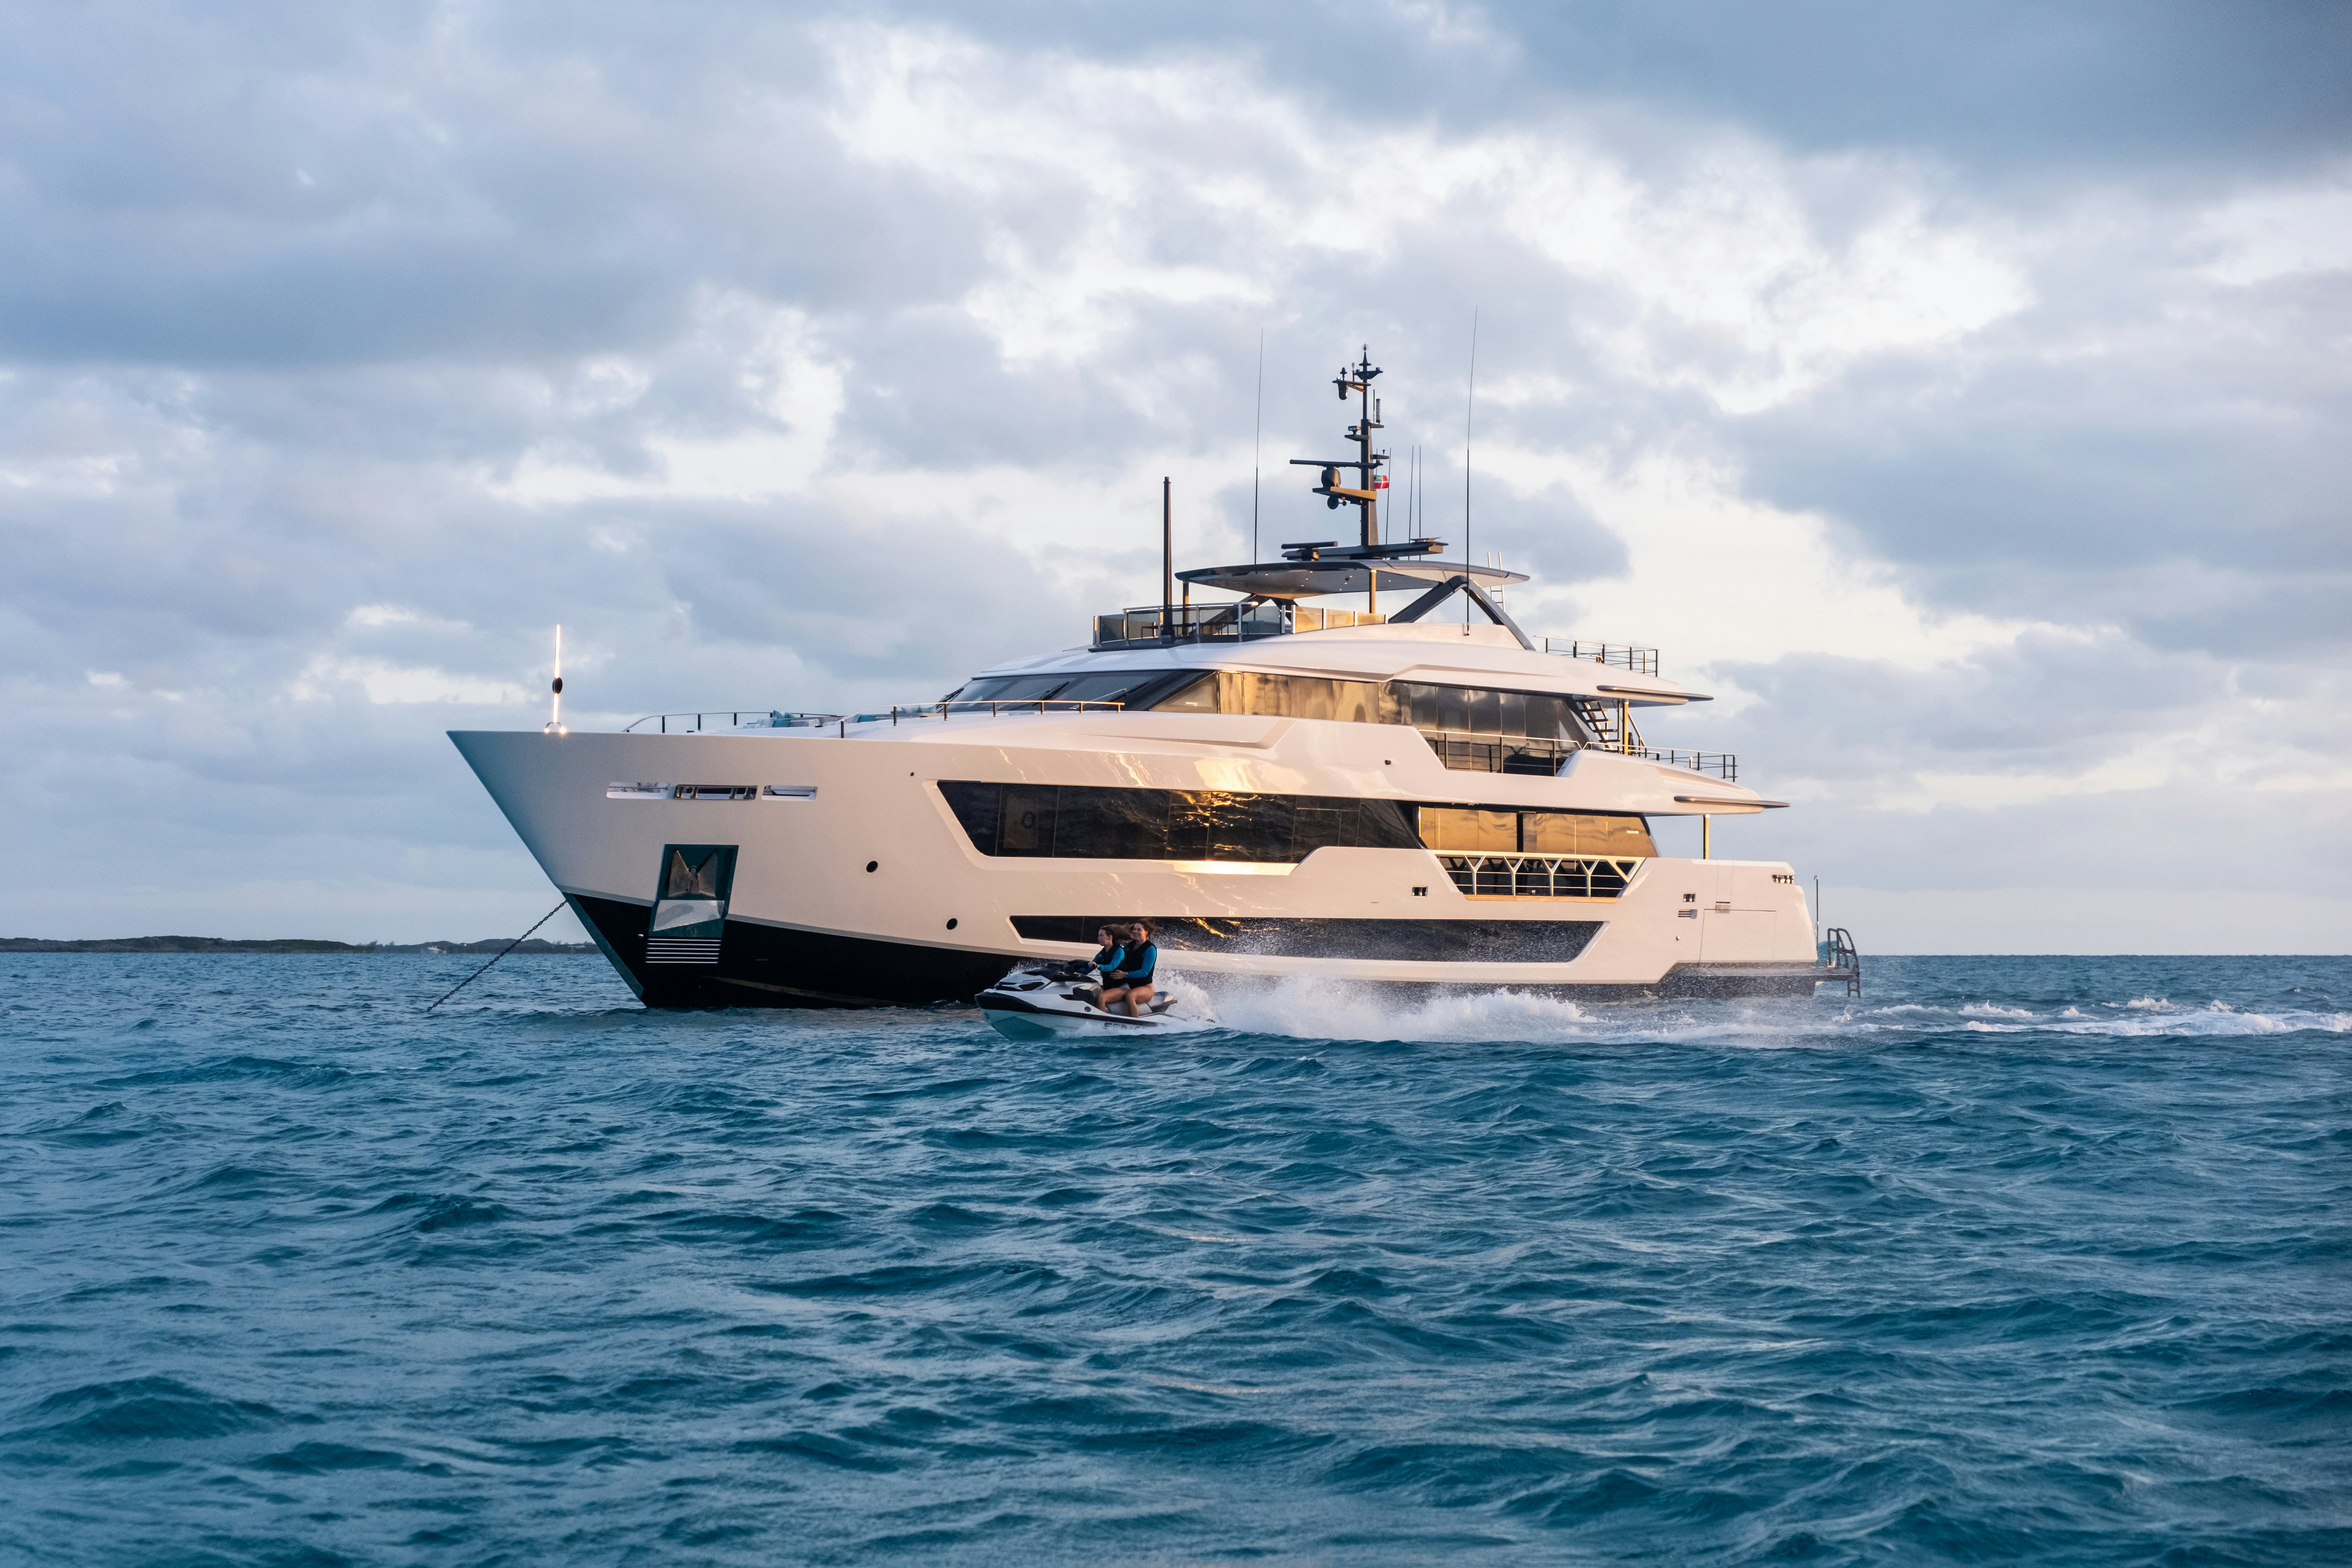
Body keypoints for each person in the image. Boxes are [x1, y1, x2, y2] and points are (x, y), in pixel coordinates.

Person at [1098, 920, 1158, 1016]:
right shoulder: (1128, 946)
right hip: (1128, 986)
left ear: (1146, 933)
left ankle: (1134, 1024)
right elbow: (1121, 962)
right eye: (1135, 929)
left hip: (1145, 987)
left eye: (1139, 930)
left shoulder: (1150, 949)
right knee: (1097, 989)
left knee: (1130, 996)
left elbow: (1145, 972)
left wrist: (1125, 974)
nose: (1136, 932)